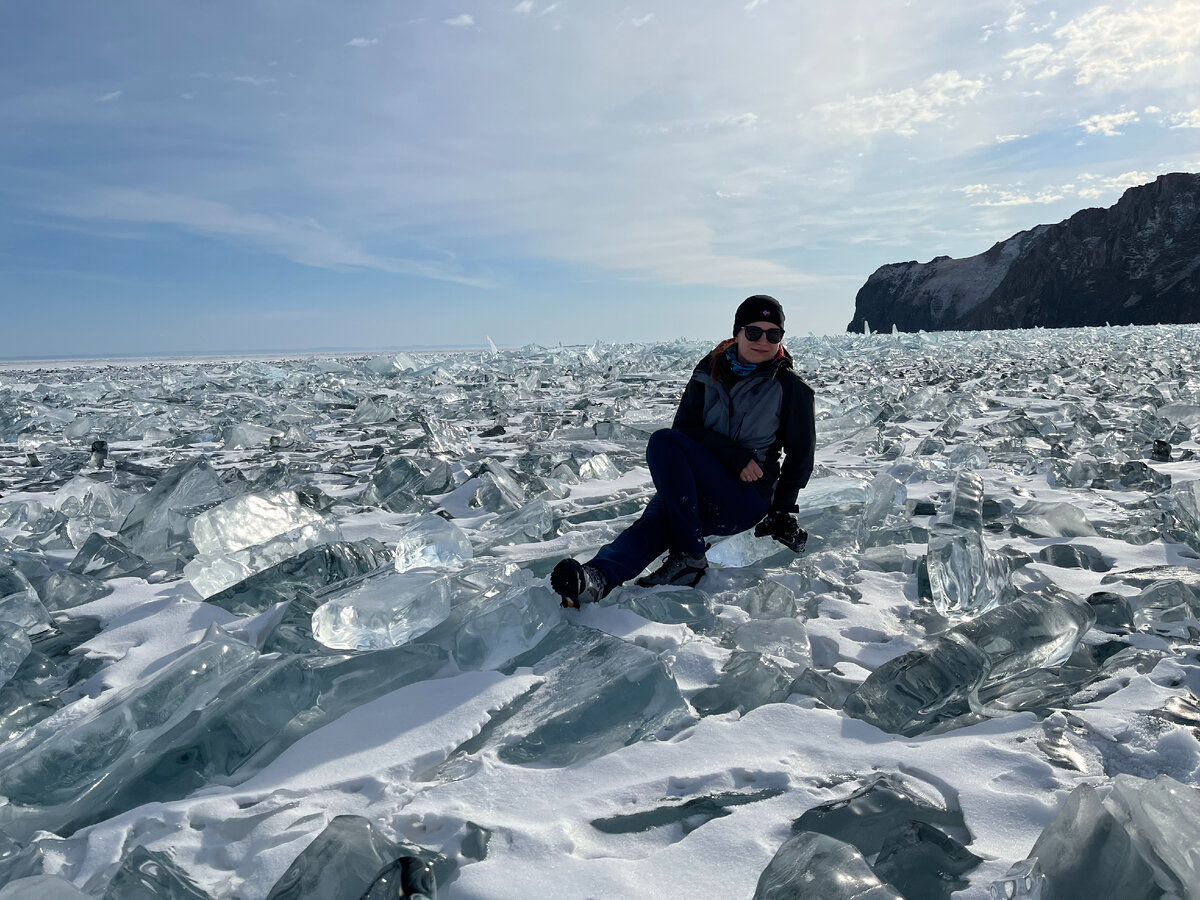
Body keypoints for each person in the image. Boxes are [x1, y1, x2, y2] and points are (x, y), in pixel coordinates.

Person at [551, 295, 816, 608]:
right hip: (702, 483)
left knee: (663, 443)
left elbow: (801, 454)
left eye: (773, 334)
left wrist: (783, 509)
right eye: (754, 332)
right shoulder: (708, 372)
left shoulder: (789, 387)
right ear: (737, 333)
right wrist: (732, 455)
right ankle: (596, 578)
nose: (763, 341)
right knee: (658, 519)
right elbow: (686, 430)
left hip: (746, 496)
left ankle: (689, 559)